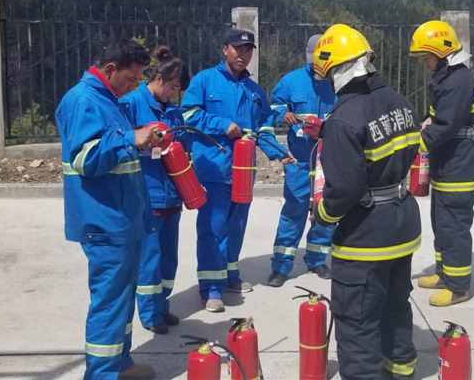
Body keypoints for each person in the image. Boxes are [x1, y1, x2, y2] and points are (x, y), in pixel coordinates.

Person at [311, 24, 422, 379]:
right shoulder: (401, 103)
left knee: (357, 318)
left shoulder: (343, 119)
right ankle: (401, 371)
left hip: (365, 235)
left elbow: (344, 189)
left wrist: (322, 214)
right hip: (403, 224)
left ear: (335, 70)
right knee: (395, 307)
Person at [56, 38, 163, 380]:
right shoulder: (83, 100)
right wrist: (130, 138)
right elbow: (85, 158)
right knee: (109, 302)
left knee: (122, 298)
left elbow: (113, 147)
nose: (135, 86)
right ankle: (101, 374)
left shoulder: (108, 99)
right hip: (104, 222)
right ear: (110, 69)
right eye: (131, 79)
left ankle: (120, 364)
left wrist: (139, 138)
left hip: (123, 217)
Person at [181, 28, 295, 312]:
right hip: (213, 169)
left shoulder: (255, 91)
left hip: (244, 171)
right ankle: (211, 288)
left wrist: (278, 153)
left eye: (247, 50)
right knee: (213, 228)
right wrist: (222, 125)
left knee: (236, 226)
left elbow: (264, 127)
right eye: (237, 49)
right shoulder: (205, 81)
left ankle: (230, 275)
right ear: (225, 49)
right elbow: (188, 115)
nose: (242, 55)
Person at [408, 20, 474, 307]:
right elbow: (438, 116)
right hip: (449, 158)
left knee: (453, 222)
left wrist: (414, 146)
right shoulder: (449, 77)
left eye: (426, 57)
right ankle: (444, 273)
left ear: (441, 53)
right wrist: (429, 120)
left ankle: (458, 286)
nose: (424, 62)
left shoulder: (456, 83)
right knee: (441, 219)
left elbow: (445, 126)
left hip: (460, 161)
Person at [119, 45, 188, 334]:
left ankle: (162, 305)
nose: (173, 93)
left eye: (177, 90)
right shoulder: (131, 104)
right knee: (150, 258)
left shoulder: (173, 112)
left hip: (171, 195)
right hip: (146, 195)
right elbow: (121, 143)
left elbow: (182, 150)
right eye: (171, 87)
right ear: (158, 79)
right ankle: (149, 314)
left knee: (169, 258)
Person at [266, 34, 337, 287]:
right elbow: (272, 107)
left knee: (325, 210)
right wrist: (284, 113)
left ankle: (317, 259)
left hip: (328, 160)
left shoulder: (337, 82)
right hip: (299, 160)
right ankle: (281, 265)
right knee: (294, 210)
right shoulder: (291, 81)